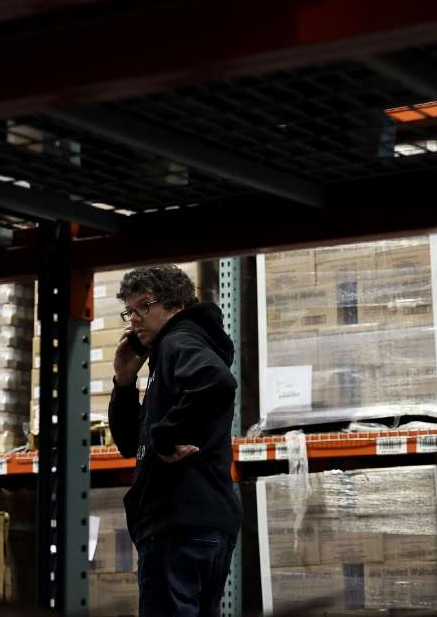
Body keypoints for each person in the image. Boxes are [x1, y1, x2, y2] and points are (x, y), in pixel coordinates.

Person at [108, 264, 241, 617]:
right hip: (195, 524)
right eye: (130, 310)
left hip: (178, 524)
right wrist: (123, 382)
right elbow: (129, 444)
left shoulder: (177, 341)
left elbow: (217, 383)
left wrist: (167, 437)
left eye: (145, 306)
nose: (135, 318)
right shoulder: (171, 351)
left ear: (176, 305)